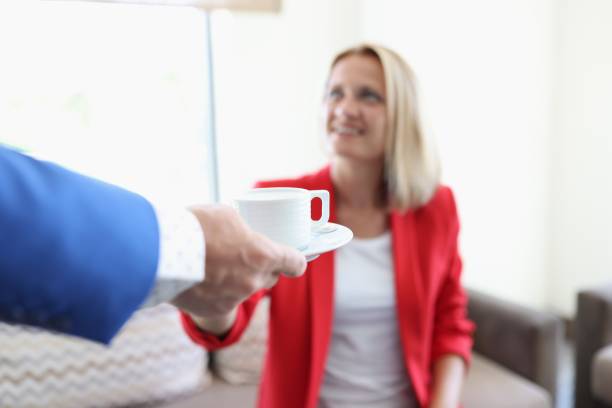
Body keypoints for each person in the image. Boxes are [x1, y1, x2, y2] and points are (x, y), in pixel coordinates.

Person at [180, 44, 475, 408]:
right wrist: (209, 296)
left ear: (403, 114)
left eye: (368, 96)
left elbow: (451, 324)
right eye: (335, 93)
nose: (345, 109)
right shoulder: (279, 202)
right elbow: (230, 320)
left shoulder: (435, 207)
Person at [0, 146, 306, 344]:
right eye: (334, 94)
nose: (344, 108)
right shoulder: (273, 195)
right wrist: (189, 250)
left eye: (358, 95)